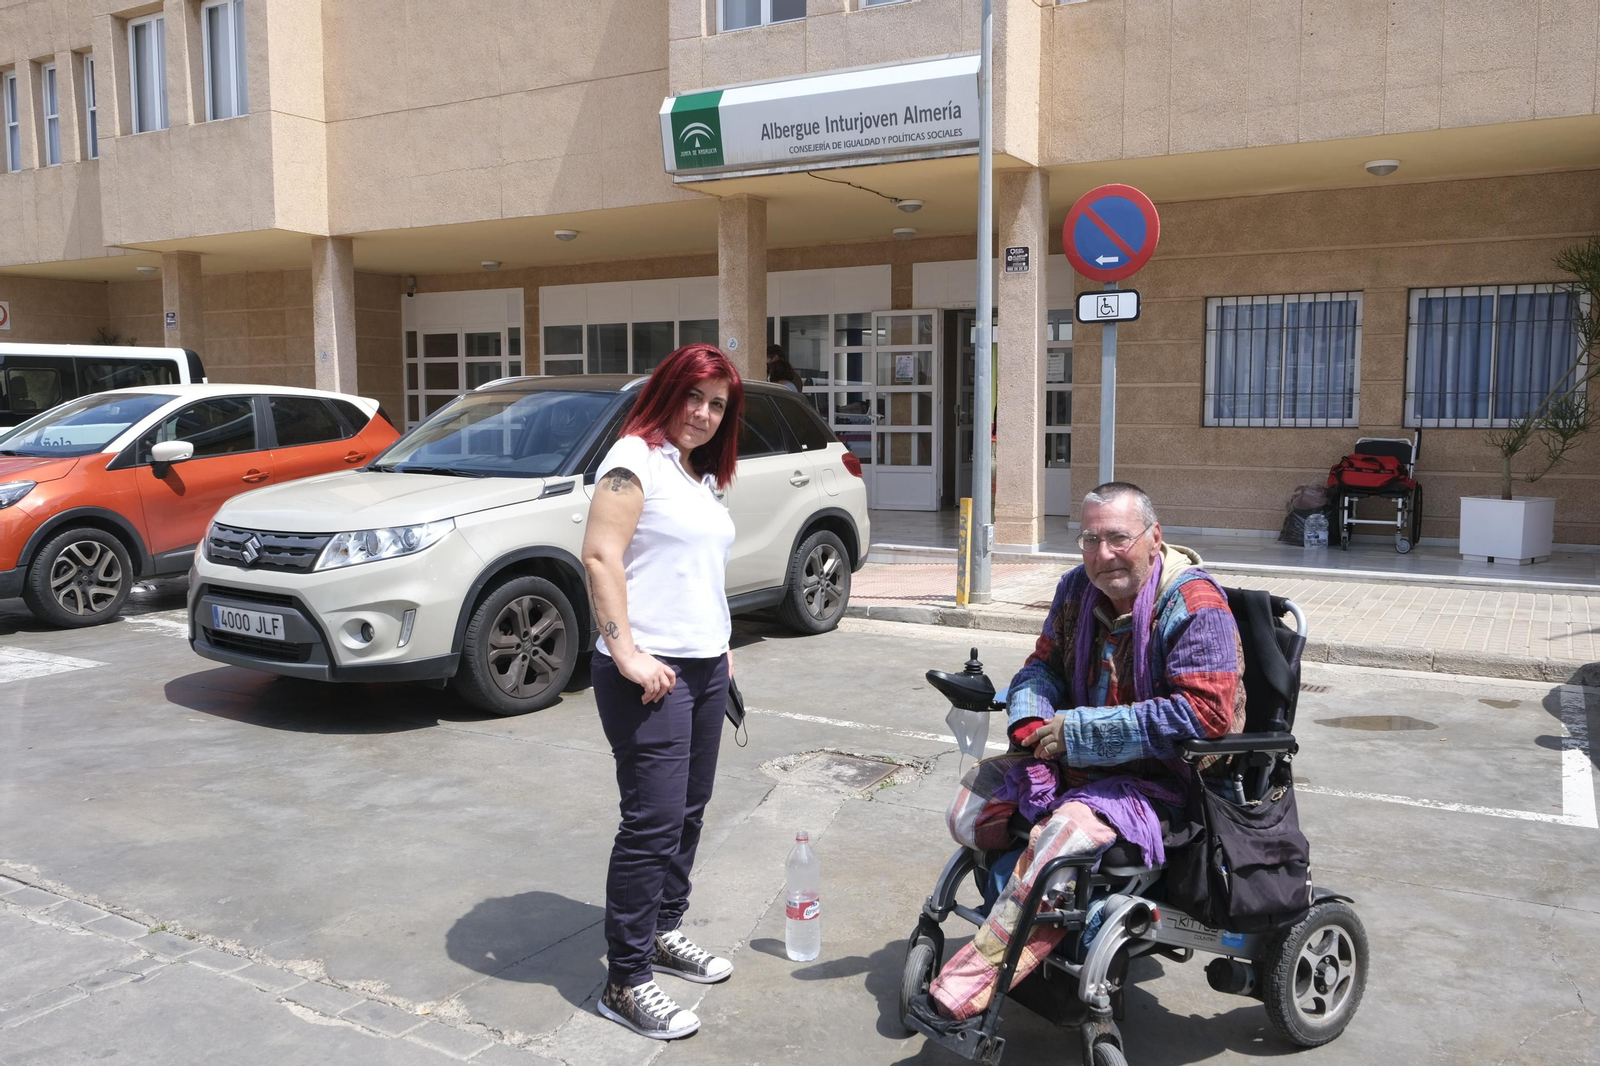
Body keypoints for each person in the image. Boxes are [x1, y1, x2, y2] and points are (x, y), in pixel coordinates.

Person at [925, 482, 1246, 1022]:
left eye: (1119, 538)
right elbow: (1043, 665)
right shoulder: (1077, 588)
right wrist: (1030, 714)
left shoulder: (1195, 604)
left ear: (1154, 538)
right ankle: (1041, 910)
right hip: (1079, 766)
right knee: (969, 808)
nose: (1104, 554)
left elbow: (1205, 714)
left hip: (1167, 782)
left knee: (1062, 841)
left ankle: (975, 981)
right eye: (1091, 540)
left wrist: (1080, 732)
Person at [581, 343, 744, 1040]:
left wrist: (722, 648)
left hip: (703, 669)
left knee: (688, 812)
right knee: (652, 821)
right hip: (649, 675)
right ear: (668, 392)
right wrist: (626, 652)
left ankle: (663, 930)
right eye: (694, 397)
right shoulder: (634, 459)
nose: (703, 414)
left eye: (717, 405)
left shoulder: (694, 474)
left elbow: (693, 574)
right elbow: (600, 556)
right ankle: (624, 979)